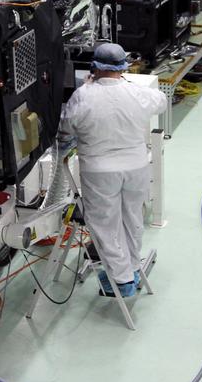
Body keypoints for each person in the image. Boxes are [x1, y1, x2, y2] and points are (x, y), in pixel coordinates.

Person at [58, 42, 168, 298]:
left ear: (94, 67)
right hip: (136, 166)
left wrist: (87, 87)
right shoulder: (137, 93)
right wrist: (129, 88)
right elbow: (161, 101)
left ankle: (122, 280)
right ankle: (130, 266)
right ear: (123, 68)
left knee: (106, 224)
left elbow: (66, 127)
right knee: (132, 218)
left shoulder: (84, 95)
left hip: (100, 171)